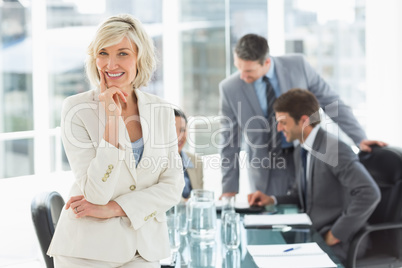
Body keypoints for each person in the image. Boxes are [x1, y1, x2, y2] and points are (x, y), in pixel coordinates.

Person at [47, 14, 184, 267]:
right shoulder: (76, 109)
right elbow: (95, 193)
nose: (111, 64)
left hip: (144, 248)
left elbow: (173, 187)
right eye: (103, 53)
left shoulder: (161, 109)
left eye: (123, 53)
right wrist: (112, 119)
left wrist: (116, 208)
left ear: (140, 58)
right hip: (88, 252)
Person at [219, 33, 386, 198]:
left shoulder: (298, 66)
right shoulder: (230, 88)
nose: (242, 75)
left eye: (249, 70)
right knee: (268, 216)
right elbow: (229, 141)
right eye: (238, 67)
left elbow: (332, 103)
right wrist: (229, 189)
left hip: (307, 156)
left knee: (313, 212)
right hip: (265, 169)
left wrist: (359, 138)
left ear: (266, 62)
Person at [248, 88, 381, 262]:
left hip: (340, 243)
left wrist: (336, 234)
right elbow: (301, 194)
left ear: (304, 121)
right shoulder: (301, 149)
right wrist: (271, 199)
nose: (279, 128)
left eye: (283, 122)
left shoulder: (333, 149)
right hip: (312, 235)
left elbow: (369, 193)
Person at [174, 109, 204, 199]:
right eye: (173, 130)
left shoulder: (196, 161)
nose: (179, 136)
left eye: (183, 130)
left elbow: (201, 198)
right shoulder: (156, 163)